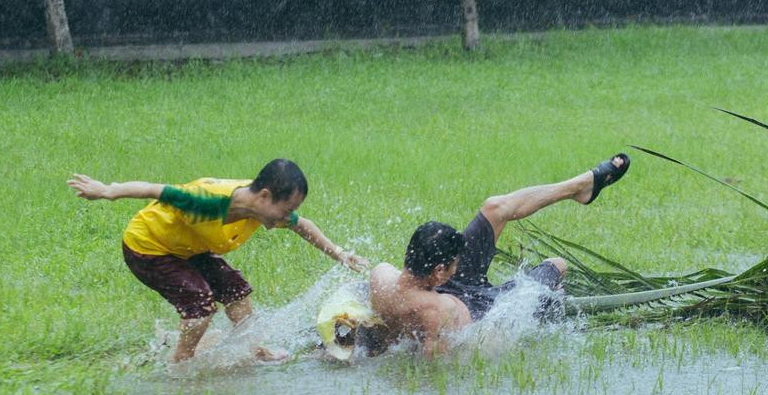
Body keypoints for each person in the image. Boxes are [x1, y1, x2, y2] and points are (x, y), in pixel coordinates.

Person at [69, 158, 369, 362]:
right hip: (149, 247)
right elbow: (153, 189)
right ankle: (181, 363)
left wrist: (340, 253)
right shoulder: (208, 201)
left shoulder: (258, 209)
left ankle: (254, 349)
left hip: (189, 248)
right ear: (265, 196)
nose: (287, 216)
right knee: (200, 303)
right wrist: (107, 191)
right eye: (286, 208)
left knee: (236, 291)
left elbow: (303, 226)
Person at [367, 154, 630, 356]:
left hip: (440, 289)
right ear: (438, 271)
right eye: (453, 265)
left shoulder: (380, 276)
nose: (457, 266)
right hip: (483, 309)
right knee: (557, 265)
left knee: (495, 207)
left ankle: (582, 185)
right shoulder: (440, 311)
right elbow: (439, 373)